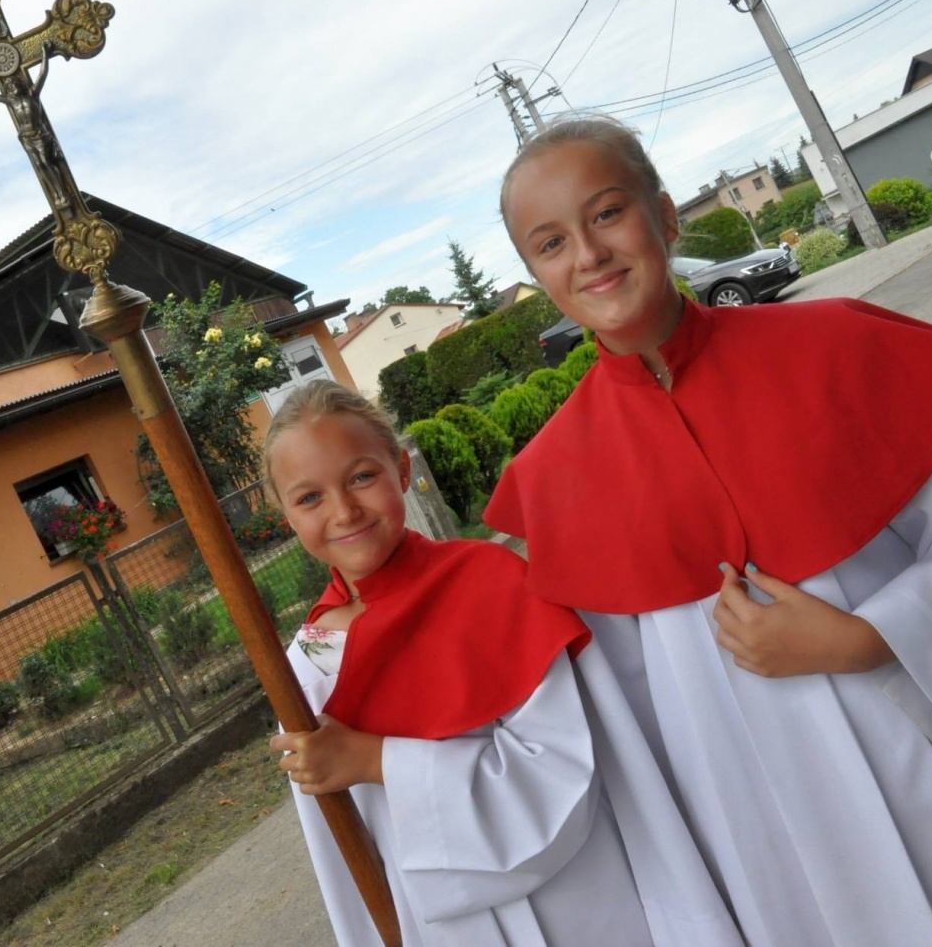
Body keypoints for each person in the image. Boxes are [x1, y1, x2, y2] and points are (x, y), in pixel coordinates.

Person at [490, 117, 932, 947]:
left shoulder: (838, 346)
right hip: (782, 843)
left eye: (607, 212)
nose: (588, 253)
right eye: (550, 242)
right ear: (537, 274)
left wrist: (873, 636)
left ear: (667, 216)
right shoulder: (553, 486)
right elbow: (623, 742)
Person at [264, 380, 742, 947]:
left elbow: (558, 782)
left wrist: (377, 761)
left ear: (401, 467)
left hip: (579, 903)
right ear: (285, 516)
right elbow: (349, 859)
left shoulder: (489, 581)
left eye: (361, 477)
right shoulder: (306, 663)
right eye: (309, 498)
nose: (343, 511)